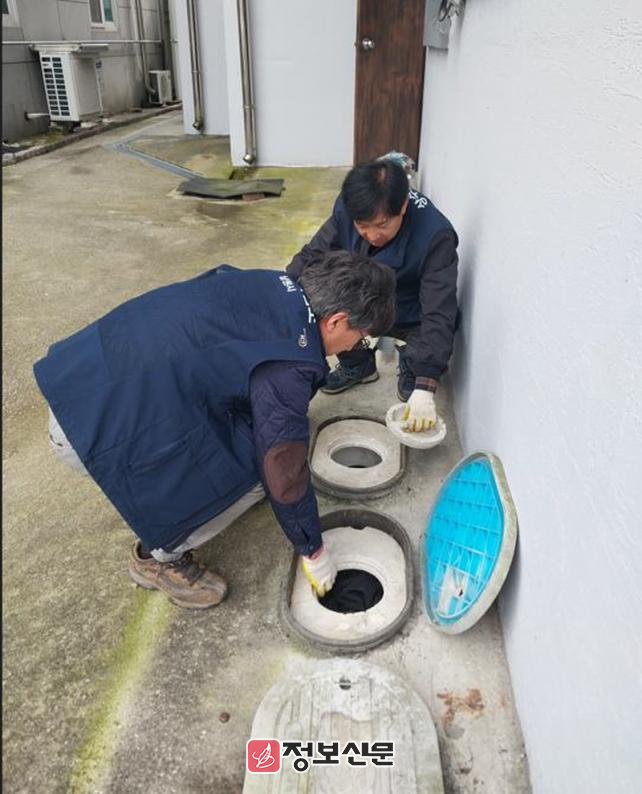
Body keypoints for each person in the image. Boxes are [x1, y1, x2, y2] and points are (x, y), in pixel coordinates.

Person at [34, 253, 396, 610]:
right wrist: (312, 550)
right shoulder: (289, 364)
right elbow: (282, 468)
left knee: (255, 434)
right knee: (260, 473)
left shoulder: (271, 283)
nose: (355, 346)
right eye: (360, 336)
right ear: (336, 321)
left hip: (78, 378)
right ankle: (159, 558)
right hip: (91, 432)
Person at [287, 157, 459, 432]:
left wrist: (426, 383)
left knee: (428, 333)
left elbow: (439, 310)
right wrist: (282, 292)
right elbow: (313, 256)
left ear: (402, 206)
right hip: (364, 293)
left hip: (408, 305)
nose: (372, 235)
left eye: (381, 224)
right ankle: (358, 365)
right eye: (362, 225)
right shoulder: (349, 207)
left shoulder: (435, 235)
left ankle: (413, 365)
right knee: (321, 301)